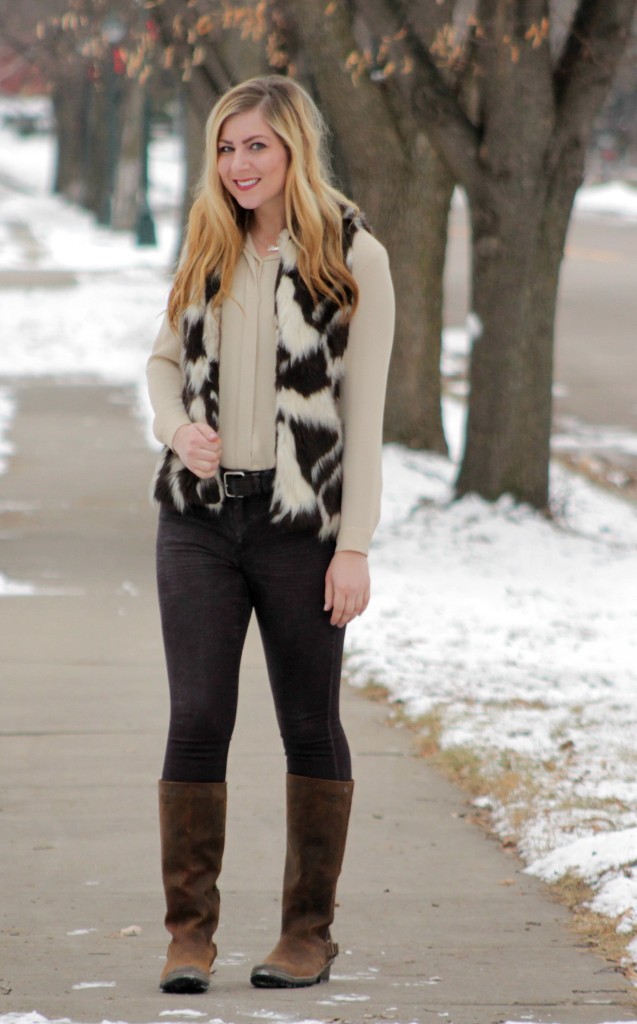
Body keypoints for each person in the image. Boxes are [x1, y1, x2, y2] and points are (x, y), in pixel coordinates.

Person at [146, 74, 394, 995]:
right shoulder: (208, 241)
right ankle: (188, 936)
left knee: (307, 722)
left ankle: (306, 935)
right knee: (198, 715)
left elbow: (362, 416)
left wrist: (354, 544)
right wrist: (177, 429)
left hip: (300, 528)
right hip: (198, 523)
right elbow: (161, 362)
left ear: (293, 149)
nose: (238, 165)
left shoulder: (351, 256)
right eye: (224, 147)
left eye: (255, 146)